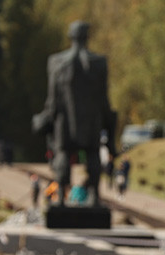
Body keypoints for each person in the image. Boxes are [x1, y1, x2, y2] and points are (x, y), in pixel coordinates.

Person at [32, 21, 117, 206]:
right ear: (87, 37)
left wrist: (45, 119)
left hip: (64, 121)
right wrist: (110, 123)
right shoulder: (99, 63)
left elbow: (52, 99)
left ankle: (61, 196)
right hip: (92, 121)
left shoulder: (56, 62)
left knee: (63, 154)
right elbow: (104, 98)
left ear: (70, 36)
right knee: (93, 154)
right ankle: (94, 196)